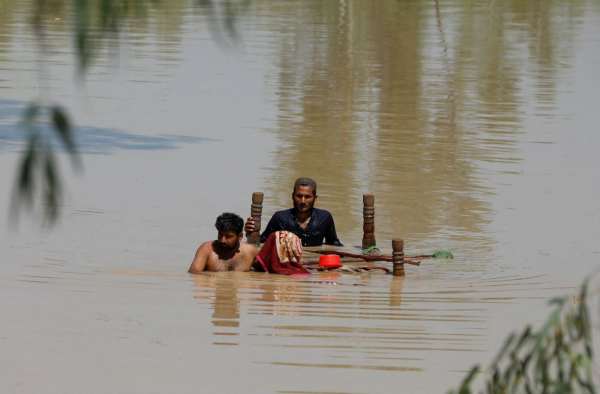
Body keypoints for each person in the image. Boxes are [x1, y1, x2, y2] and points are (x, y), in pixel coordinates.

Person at [244, 177, 343, 247]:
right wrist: (250, 233)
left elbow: (333, 244)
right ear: (293, 196)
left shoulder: (324, 217)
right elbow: (262, 241)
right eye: (299, 196)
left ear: (315, 198)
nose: (303, 201)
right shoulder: (280, 218)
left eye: (307, 197)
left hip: (314, 264)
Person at [188, 212, 259, 273]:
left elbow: (266, 272)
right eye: (220, 235)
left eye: (228, 236)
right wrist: (208, 278)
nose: (222, 240)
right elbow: (194, 273)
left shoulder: (251, 252)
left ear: (240, 236)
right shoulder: (206, 249)